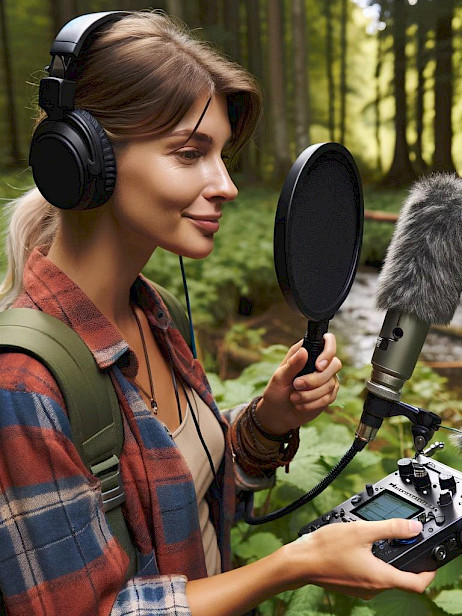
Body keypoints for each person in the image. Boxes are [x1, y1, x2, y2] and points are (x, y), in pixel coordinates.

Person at [0, 11, 435, 616]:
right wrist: (294, 564)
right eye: (189, 153)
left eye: (222, 155)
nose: (226, 184)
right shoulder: (22, 384)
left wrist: (267, 422)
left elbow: (177, 485)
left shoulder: (159, 314)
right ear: (83, 161)